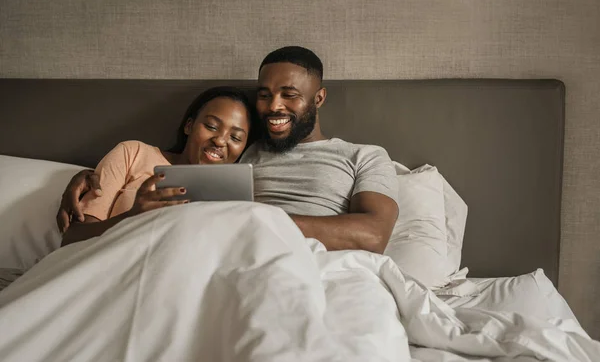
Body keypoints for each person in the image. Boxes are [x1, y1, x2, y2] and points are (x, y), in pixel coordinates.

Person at [58, 47, 399, 254]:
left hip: (314, 260)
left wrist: (257, 221)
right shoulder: (244, 154)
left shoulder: (363, 156)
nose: (273, 106)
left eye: (289, 94)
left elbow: (373, 235)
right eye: (264, 94)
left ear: (319, 98)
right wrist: (86, 176)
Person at [60, 86, 254, 247]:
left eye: (235, 137)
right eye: (211, 126)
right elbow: (72, 239)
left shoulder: (238, 195)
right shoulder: (133, 153)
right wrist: (131, 218)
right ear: (189, 126)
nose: (220, 140)